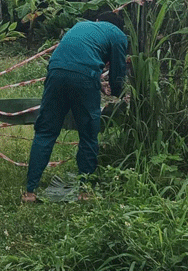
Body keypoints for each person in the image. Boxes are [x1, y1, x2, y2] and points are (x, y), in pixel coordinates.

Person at [23, 11, 128, 202]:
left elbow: (75, 56)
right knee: (88, 134)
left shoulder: (80, 26)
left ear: (98, 20)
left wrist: (97, 82)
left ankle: (30, 191)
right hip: (84, 78)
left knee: (45, 132)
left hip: (55, 72)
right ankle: (85, 191)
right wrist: (119, 94)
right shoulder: (118, 34)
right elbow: (118, 73)